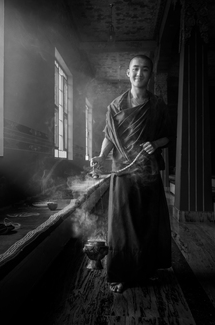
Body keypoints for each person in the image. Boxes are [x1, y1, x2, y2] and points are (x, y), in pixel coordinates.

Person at [91, 55, 172, 294]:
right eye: (135, 69)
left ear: (150, 74)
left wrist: (155, 143)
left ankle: (146, 271)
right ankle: (120, 274)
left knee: (147, 224)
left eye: (145, 70)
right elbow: (109, 135)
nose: (139, 74)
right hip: (123, 172)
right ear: (128, 73)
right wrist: (102, 155)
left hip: (147, 172)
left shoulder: (158, 105)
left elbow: (168, 136)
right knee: (121, 226)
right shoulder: (115, 106)